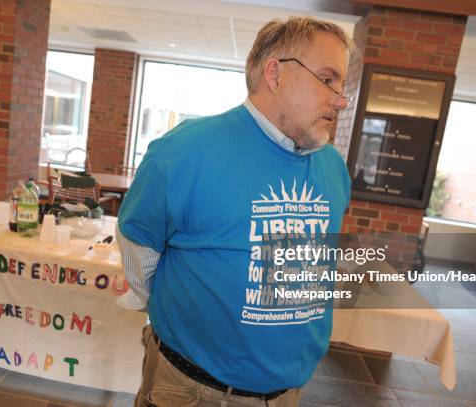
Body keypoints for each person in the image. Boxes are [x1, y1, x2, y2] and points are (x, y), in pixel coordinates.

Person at [116, 15, 354, 407]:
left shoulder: (333, 166)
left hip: (287, 394)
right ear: (275, 73)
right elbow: (138, 247)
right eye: (327, 79)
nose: (340, 98)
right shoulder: (184, 152)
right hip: (191, 390)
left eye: (342, 84)